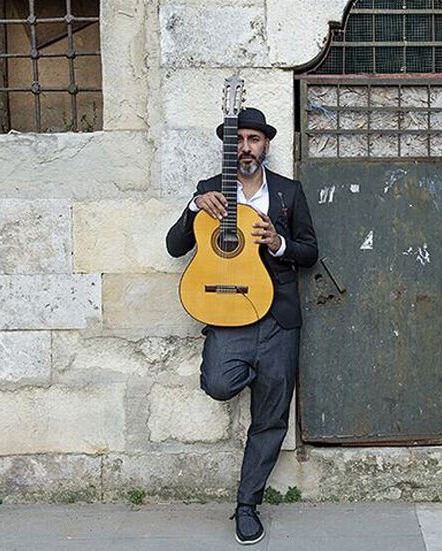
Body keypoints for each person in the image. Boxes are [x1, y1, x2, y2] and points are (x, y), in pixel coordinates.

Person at [166, 107, 318, 545]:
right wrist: (194, 206)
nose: (246, 147)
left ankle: (246, 505)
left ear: (266, 145)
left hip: (278, 320)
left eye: (254, 139)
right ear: (229, 147)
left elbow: (310, 251)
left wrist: (278, 242)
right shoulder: (210, 192)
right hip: (228, 318)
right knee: (217, 383)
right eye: (239, 140)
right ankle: (242, 365)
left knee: (270, 418)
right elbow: (176, 246)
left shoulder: (288, 193)